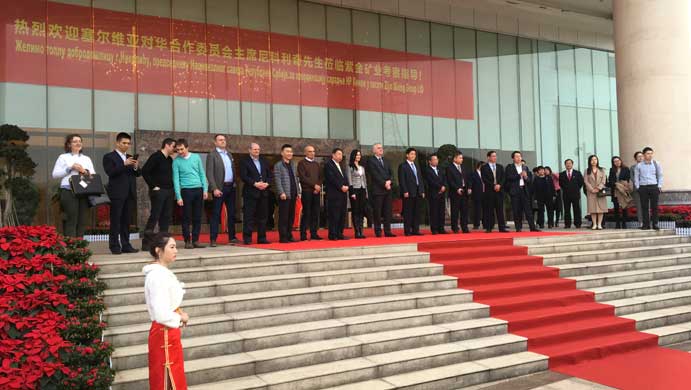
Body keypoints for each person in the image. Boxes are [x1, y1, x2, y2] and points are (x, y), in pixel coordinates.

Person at [143, 232, 189, 390]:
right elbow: (162, 313)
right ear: (158, 250)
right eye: (172, 247)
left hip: (168, 332)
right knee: (167, 379)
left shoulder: (161, 273)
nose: (176, 250)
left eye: (176, 247)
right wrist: (180, 318)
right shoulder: (157, 277)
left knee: (172, 376)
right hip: (164, 333)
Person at [52, 134, 96, 238]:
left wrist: (83, 171)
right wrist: (70, 168)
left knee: (82, 220)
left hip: (84, 191)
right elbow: (55, 174)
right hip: (68, 190)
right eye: (75, 141)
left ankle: (80, 248)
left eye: (80, 141)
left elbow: (92, 176)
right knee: (71, 218)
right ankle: (71, 248)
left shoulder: (87, 158)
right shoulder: (63, 157)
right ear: (69, 144)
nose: (78, 143)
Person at [103, 132, 140, 255]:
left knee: (126, 221)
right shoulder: (109, 157)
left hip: (129, 193)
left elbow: (138, 173)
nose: (126, 145)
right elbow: (110, 172)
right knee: (116, 220)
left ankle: (126, 244)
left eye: (128, 143)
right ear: (117, 142)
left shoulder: (130, 157)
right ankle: (114, 246)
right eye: (124, 143)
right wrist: (124, 164)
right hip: (117, 193)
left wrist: (135, 166)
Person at [172, 139, 208, 249]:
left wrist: (205, 189)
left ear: (187, 147)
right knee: (186, 217)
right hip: (186, 191)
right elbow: (176, 180)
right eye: (177, 150)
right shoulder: (176, 161)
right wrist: (178, 196)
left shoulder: (196, 157)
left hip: (198, 189)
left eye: (182, 149)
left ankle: (196, 240)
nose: (180, 151)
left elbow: (202, 173)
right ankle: (187, 241)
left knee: (198, 217)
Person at [141, 138, 176, 252]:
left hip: (169, 191)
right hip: (158, 191)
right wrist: (153, 186)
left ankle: (163, 243)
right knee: (155, 215)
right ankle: (146, 243)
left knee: (166, 217)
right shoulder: (155, 156)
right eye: (173, 146)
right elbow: (145, 171)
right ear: (167, 145)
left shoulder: (170, 159)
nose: (174, 149)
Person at [206, 134, 238, 247]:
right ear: (215, 142)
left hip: (231, 187)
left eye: (224, 140)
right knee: (216, 213)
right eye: (220, 140)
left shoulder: (229, 154)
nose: (223, 141)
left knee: (232, 213)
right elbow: (209, 173)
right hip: (220, 188)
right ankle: (213, 239)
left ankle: (232, 237)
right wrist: (214, 188)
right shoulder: (212, 155)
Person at [240, 143, 272, 244]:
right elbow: (244, 176)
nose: (257, 151)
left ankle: (262, 238)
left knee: (263, 216)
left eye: (258, 149)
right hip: (250, 192)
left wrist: (267, 183)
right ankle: (247, 238)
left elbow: (270, 174)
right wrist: (255, 184)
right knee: (249, 216)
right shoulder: (244, 161)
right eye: (254, 149)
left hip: (263, 192)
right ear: (249, 150)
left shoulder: (264, 160)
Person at [505, 151, 539, 232]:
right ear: (513, 158)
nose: (519, 158)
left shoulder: (525, 167)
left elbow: (529, 180)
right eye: (516, 156)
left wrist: (526, 177)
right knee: (516, 210)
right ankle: (518, 228)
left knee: (528, 210)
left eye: (520, 156)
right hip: (515, 191)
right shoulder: (509, 167)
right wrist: (519, 175)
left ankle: (532, 227)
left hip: (524, 190)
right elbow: (508, 177)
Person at [366, 143, 396, 237]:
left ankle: (388, 231)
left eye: (381, 148)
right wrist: (384, 183)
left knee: (388, 211)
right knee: (377, 212)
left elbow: (391, 173)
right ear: (374, 150)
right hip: (378, 190)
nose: (381, 149)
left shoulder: (386, 160)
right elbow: (375, 175)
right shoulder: (371, 160)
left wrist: (389, 182)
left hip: (388, 189)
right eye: (378, 148)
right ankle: (378, 231)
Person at [274, 144, 301, 243]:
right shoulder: (278, 165)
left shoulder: (293, 164)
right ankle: (283, 237)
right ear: (282, 153)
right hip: (284, 195)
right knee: (283, 217)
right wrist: (281, 192)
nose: (289, 153)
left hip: (293, 194)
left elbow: (295, 179)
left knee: (291, 217)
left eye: (291, 151)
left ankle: (289, 235)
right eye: (287, 151)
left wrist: (298, 192)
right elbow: (277, 180)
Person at [297, 145, 323, 241]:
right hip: (307, 192)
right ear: (305, 153)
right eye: (310, 151)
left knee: (315, 213)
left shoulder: (317, 164)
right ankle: (303, 234)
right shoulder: (301, 163)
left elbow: (321, 177)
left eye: (313, 151)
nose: (312, 153)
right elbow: (303, 178)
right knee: (307, 213)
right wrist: (314, 185)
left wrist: (318, 186)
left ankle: (314, 233)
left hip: (316, 192)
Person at [634, 147, 664, 230]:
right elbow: (636, 177)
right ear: (644, 155)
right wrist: (638, 187)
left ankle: (655, 224)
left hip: (654, 186)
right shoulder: (639, 165)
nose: (650, 155)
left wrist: (659, 186)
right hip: (643, 187)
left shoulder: (656, 163)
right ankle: (646, 225)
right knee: (644, 207)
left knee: (654, 207)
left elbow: (660, 175)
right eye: (648, 153)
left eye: (651, 153)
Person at [398, 148, 425, 236]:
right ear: (407, 155)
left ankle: (415, 230)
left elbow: (420, 179)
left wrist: (422, 190)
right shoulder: (403, 166)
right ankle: (407, 230)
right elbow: (402, 180)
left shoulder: (416, 166)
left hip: (417, 192)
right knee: (408, 212)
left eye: (414, 154)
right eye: (412, 154)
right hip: (408, 192)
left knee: (416, 212)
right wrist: (405, 191)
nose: (413, 156)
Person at [324, 148, 350, 240]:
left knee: (342, 214)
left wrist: (347, 186)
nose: (340, 156)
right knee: (334, 215)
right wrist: (341, 186)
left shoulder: (341, 165)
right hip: (334, 194)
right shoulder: (328, 165)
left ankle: (340, 233)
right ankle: (333, 234)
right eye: (338, 154)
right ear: (333, 155)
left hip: (343, 194)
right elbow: (331, 178)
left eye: (341, 154)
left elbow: (345, 178)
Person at [481, 151, 508, 233]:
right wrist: (493, 185)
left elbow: (503, 178)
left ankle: (502, 228)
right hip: (490, 191)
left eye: (495, 156)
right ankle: (489, 228)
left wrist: (499, 185)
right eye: (493, 156)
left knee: (500, 210)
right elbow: (484, 179)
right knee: (489, 210)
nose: (495, 157)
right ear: (488, 157)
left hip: (499, 191)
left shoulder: (500, 167)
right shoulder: (484, 167)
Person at [446, 150, 470, 234]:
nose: (462, 159)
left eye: (462, 158)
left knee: (464, 211)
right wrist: (457, 188)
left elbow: (467, 179)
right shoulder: (449, 168)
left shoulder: (463, 167)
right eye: (460, 158)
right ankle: (455, 227)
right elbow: (450, 180)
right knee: (455, 211)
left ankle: (465, 227)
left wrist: (469, 188)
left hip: (464, 192)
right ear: (455, 158)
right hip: (455, 193)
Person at [423, 154, 447, 235]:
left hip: (442, 193)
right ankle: (434, 229)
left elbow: (444, 179)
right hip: (433, 193)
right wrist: (440, 187)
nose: (436, 161)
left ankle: (441, 228)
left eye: (437, 159)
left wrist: (443, 186)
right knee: (434, 212)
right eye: (434, 159)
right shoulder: (427, 170)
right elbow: (430, 181)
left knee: (441, 212)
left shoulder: (440, 169)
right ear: (430, 161)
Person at [346, 149, 368, 239]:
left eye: (359, 155)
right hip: (355, 190)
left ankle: (361, 230)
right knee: (356, 211)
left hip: (362, 189)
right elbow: (349, 180)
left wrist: (366, 192)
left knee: (361, 211)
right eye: (357, 155)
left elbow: (365, 180)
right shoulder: (350, 167)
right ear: (353, 156)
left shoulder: (362, 167)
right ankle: (357, 232)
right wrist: (352, 192)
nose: (358, 156)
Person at [559, 159, 584, 229]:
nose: (568, 165)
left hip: (575, 194)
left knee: (576, 209)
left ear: (572, 164)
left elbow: (581, 183)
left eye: (570, 163)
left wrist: (575, 188)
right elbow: (561, 184)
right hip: (566, 194)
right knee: (567, 209)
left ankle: (578, 223)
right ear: (565, 165)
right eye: (567, 163)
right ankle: (567, 224)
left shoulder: (577, 173)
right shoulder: (562, 174)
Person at [608, 156, 632, 229]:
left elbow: (628, 179)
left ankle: (624, 223)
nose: (617, 162)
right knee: (616, 208)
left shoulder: (626, 169)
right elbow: (610, 180)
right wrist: (615, 184)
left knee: (624, 207)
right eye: (615, 161)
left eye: (618, 160)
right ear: (613, 163)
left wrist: (622, 184)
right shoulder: (612, 170)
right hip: (615, 190)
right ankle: (617, 223)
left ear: (621, 161)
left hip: (623, 190)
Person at [585, 155, 607, 230]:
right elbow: (586, 181)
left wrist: (598, 188)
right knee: (593, 209)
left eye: (595, 159)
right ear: (589, 161)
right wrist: (592, 189)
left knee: (601, 209)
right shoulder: (587, 170)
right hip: (591, 192)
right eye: (592, 160)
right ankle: (594, 224)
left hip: (600, 192)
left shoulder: (602, 170)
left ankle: (599, 224)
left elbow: (604, 181)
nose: (594, 161)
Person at [469, 161, 485, 230]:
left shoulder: (485, 174)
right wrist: (469, 188)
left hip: (485, 193)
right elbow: (470, 182)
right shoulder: (473, 174)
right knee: (477, 210)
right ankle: (476, 224)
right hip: (477, 193)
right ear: (480, 166)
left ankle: (486, 224)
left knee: (486, 210)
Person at [631, 151, 644, 225]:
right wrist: (639, 185)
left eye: (642, 156)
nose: (640, 157)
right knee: (639, 206)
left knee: (646, 206)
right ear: (635, 158)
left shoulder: (647, 165)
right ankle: (641, 222)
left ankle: (647, 221)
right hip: (637, 189)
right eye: (639, 156)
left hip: (646, 188)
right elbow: (632, 178)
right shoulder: (633, 167)